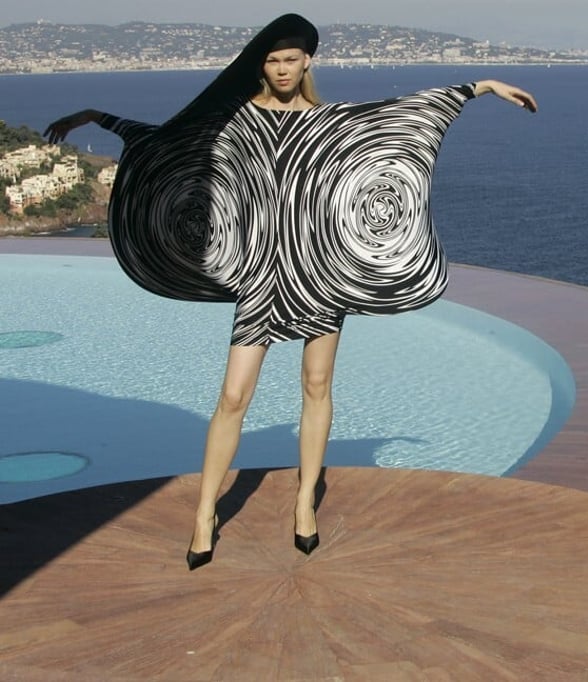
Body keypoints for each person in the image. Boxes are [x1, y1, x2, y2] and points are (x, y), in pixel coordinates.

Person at [44, 14, 538, 570]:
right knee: (233, 396)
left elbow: (397, 114)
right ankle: (205, 512)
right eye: (272, 60)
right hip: (259, 273)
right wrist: (95, 117)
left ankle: (305, 505)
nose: (281, 69)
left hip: (317, 270)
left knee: (317, 384)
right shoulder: (237, 120)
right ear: (263, 65)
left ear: (307, 62)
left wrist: (482, 87)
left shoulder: (329, 122)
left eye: (290, 59)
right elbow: (167, 138)